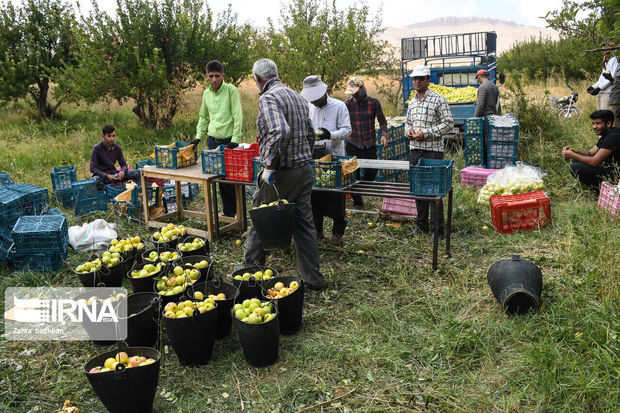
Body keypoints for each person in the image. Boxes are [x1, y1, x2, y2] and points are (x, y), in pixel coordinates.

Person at [243, 58, 325, 291]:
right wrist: (304, 157)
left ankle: (250, 274)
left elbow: (280, 130)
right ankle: (313, 279)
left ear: (258, 79)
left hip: (283, 174)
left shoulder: (269, 98)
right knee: (304, 225)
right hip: (304, 171)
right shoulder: (297, 97)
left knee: (261, 219)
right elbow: (311, 133)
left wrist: (270, 166)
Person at [301, 75, 352, 246]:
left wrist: (330, 135)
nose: (314, 102)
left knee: (336, 197)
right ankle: (317, 230)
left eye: (316, 98)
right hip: (315, 159)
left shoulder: (339, 106)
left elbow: (347, 130)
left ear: (324, 92)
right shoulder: (309, 108)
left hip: (335, 158)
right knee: (315, 195)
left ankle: (337, 233)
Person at [405, 65, 454, 241]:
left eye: (420, 78)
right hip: (414, 151)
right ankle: (421, 226)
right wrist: (408, 131)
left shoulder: (438, 99)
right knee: (418, 190)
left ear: (428, 79)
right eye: (414, 79)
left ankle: (438, 230)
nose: (416, 81)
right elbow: (408, 122)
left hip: (432, 151)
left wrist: (426, 133)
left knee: (434, 191)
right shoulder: (412, 102)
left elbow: (448, 123)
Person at [193, 60, 243, 217]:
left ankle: (238, 214)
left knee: (232, 179)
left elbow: (237, 115)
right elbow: (203, 117)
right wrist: (198, 137)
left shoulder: (231, 90)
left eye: (217, 76)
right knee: (219, 178)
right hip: (213, 140)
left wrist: (235, 139)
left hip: (229, 141)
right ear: (206, 77)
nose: (214, 79)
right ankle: (227, 214)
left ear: (223, 76)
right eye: (211, 76)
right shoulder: (206, 94)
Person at [344, 76, 388, 208]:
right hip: (353, 144)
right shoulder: (347, 105)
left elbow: (382, 122)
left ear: (362, 89)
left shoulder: (373, 103)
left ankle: (360, 188)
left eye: (356, 92)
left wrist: (384, 135)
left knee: (371, 173)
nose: (355, 95)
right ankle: (357, 201)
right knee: (352, 175)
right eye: (352, 92)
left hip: (369, 144)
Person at [562, 109, 620, 192]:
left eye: (598, 123)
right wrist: (574, 151)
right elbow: (590, 152)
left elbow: (594, 161)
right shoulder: (606, 133)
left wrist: (572, 155)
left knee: (575, 167)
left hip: (616, 175)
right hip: (609, 168)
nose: (594, 127)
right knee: (576, 161)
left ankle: (600, 190)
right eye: (593, 123)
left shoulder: (613, 137)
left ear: (608, 124)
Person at [90, 125, 141, 190]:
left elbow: (124, 165)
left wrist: (122, 171)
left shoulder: (117, 148)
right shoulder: (97, 148)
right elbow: (93, 168)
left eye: (113, 136)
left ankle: (139, 192)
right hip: (102, 177)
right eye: (109, 136)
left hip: (114, 174)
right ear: (103, 136)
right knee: (96, 180)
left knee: (138, 172)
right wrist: (106, 175)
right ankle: (107, 196)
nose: (112, 138)